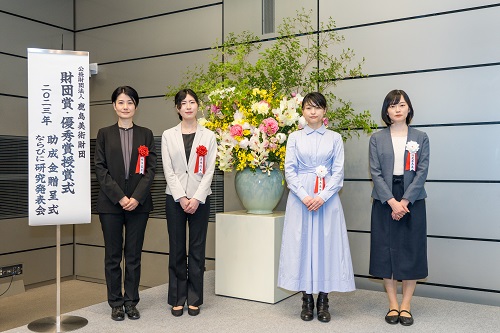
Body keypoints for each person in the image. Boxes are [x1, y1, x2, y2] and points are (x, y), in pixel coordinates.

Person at [278, 92, 355, 323]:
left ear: (324, 111)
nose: (313, 112)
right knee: (302, 245)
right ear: (302, 111)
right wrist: (304, 196)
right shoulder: (294, 138)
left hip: (327, 200)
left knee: (325, 246)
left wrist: (321, 197)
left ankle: (323, 299)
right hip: (300, 199)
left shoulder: (334, 138)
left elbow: (338, 172)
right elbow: (289, 171)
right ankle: (306, 299)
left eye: (317, 107)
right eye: (308, 108)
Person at [94, 86, 157, 321]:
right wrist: (120, 197)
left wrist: (136, 198)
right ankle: (115, 302)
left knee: (133, 255)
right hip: (111, 204)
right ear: (114, 106)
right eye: (121, 102)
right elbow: (100, 169)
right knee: (112, 256)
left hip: (139, 205)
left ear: (136, 107)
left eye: (130, 102)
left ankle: (131, 301)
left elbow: (151, 170)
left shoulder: (146, 134)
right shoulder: (104, 133)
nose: (125, 107)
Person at [369, 89, 430, 326]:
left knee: (410, 250)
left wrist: (404, 201)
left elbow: (422, 172)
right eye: (393, 105)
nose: (397, 109)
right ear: (386, 111)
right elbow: (375, 172)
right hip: (385, 200)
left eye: (402, 105)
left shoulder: (420, 137)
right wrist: (392, 202)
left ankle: (406, 305)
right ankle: (393, 304)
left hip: (411, 199)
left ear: (409, 109)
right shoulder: (377, 138)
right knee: (385, 250)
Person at [161, 89, 216, 317]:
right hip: (174, 198)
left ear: (198, 105)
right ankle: (177, 297)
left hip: (200, 199)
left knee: (196, 249)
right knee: (176, 249)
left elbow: (210, 170)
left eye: (192, 102)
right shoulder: (168, 135)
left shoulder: (209, 135)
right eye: (183, 103)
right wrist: (182, 197)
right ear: (177, 108)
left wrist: (195, 198)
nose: (188, 106)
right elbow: (169, 170)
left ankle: (194, 298)